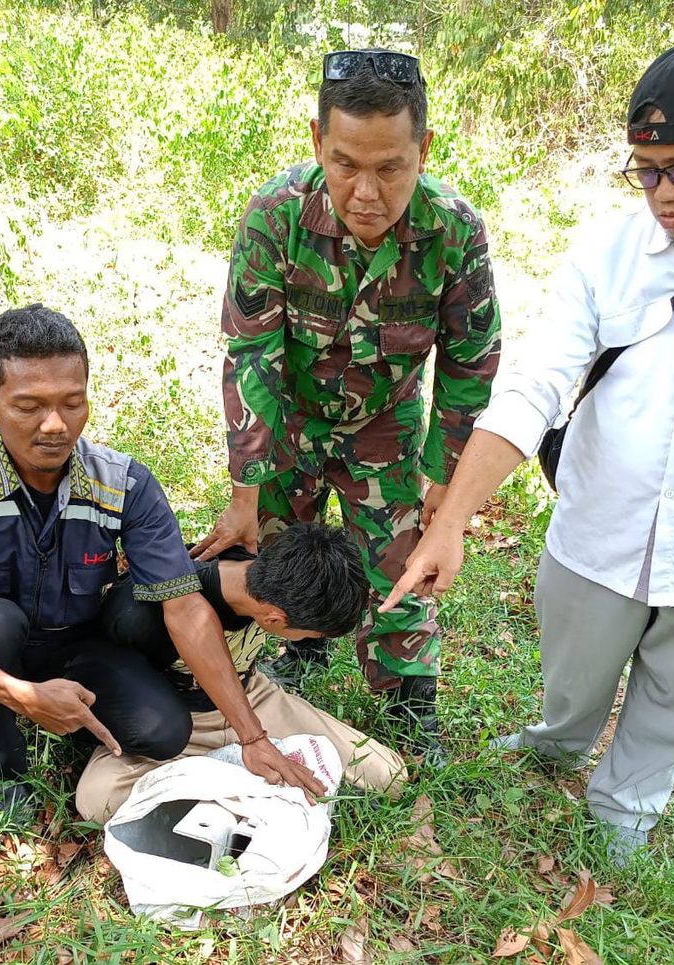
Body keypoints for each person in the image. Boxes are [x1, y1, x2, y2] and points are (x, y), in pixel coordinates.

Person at [381, 38, 674, 861]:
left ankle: (628, 801)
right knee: (574, 675)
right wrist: (452, 518)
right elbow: (534, 385)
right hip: (601, 529)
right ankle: (558, 740)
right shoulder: (607, 253)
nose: (662, 193)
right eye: (645, 170)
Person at [0, 304, 324, 819]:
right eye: (28, 406)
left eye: (72, 403)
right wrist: (21, 695)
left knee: (165, 731)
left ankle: (73, 717)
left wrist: (252, 736)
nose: (54, 425)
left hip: (78, 643)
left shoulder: (125, 483)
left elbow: (184, 606)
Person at [191, 49, 502, 763]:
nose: (367, 191)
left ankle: (406, 694)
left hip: (386, 425)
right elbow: (251, 355)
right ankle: (297, 651)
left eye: (391, 167)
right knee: (278, 552)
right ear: (316, 143)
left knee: (401, 562)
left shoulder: (454, 230)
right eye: (345, 163)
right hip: (288, 421)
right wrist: (247, 489)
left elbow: (469, 363)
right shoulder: (277, 214)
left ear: (424, 149)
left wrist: (443, 484)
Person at [75, 522, 408, 823]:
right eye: (311, 635)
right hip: (177, 723)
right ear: (274, 619)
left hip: (252, 696)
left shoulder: (265, 574)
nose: (310, 641)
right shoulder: (141, 615)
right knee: (98, 800)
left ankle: (232, 771)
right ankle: (229, 774)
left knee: (388, 777)